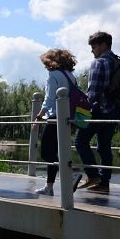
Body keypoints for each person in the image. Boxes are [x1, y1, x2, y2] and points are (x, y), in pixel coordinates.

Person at [76, 31, 120, 193]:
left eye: (94, 47)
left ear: (103, 45)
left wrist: (78, 114)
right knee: (104, 147)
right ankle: (104, 182)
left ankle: (92, 175)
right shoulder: (117, 62)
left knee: (80, 141)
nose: (92, 51)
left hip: (100, 111)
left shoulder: (99, 62)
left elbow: (93, 94)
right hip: (115, 111)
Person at [32, 48, 81, 195]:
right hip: (68, 117)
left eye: (45, 62)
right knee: (58, 151)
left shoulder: (53, 75)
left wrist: (38, 118)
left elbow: (49, 99)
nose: (45, 66)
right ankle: (49, 187)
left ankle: (69, 176)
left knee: (47, 152)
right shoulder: (70, 75)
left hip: (55, 118)